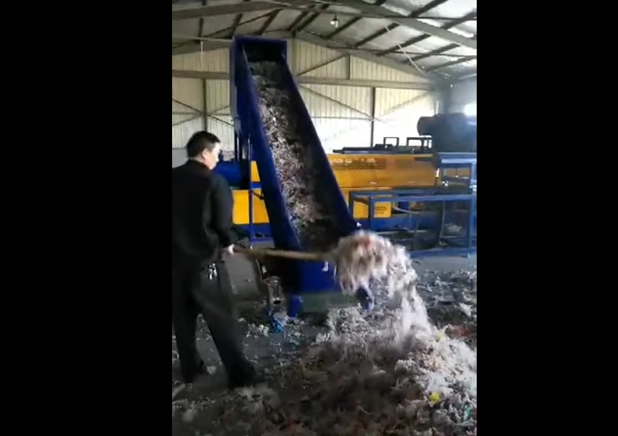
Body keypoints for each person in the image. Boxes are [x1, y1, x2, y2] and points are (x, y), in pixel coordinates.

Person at [172, 131, 258, 388]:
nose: (218, 160)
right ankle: (240, 375)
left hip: (175, 267)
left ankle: (191, 370)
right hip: (204, 266)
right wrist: (230, 241)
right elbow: (222, 223)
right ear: (204, 153)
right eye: (217, 154)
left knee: (183, 321)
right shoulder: (214, 182)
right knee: (223, 320)